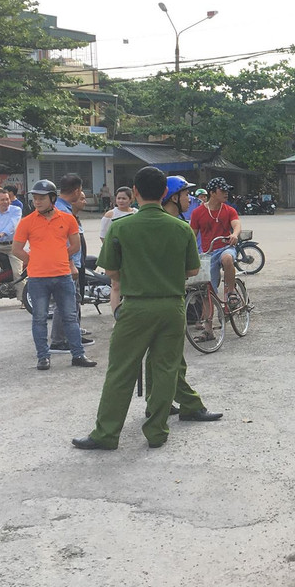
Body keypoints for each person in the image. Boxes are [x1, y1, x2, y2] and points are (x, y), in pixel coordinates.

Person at [71, 167, 202, 451]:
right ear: (165, 194)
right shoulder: (181, 228)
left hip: (136, 307)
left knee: (121, 370)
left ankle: (106, 434)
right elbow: (192, 269)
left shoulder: (121, 226)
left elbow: (112, 271)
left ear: (136, 192)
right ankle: (156, 431)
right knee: (166, 369)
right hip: (172, 306)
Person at [152, 175, 222, 423]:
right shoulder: (177, 227)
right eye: (185, 194)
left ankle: (158, 401)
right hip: (169, 299)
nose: (189, 198)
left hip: (146, 300)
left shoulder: (147, 223)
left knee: (160, 357)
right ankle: (189, 405)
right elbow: (191, 269)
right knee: (173, 359)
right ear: (172, 197)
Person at [11, 179, 98, 371]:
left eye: (41, 198)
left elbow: (75, 245)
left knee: (70, 316)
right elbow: (16, 249)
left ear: (52, 198)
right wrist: (33, 259)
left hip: (63, 276)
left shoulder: (67, 219)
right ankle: (43, 357)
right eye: (35, 198)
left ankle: (78, 355)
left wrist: (59, 257)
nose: (37, 201)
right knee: (39, 318)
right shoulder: (27, 222)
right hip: (37, 278)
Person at [50, 174, 93, 351]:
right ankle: (59, 341)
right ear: (76, 190)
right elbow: (62, 242)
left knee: (73, 301)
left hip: (72, 263)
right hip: (66, 265)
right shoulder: (62, 212)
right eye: (80, 191)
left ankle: (72, 335)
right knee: (65, 303)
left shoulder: (64, 208)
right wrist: (70, 264)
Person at [189, 177, 241, 311]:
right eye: (222, 190)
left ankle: (231, 292)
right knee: (208, 292)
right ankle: (208, 328)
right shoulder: (198, 213)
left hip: (225, 247)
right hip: (208, 254)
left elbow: (236, 224)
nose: (226, 193)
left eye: (227, 190)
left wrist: (234, 234)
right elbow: (191, 234)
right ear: (212, 193)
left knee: (227, 258)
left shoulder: (229, 210)